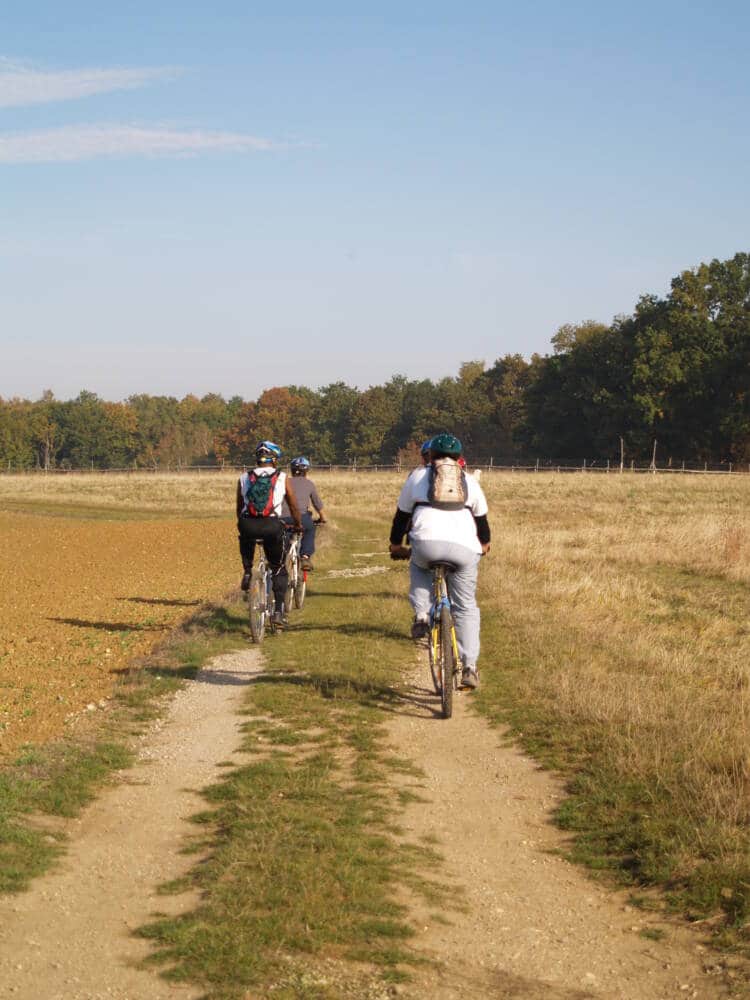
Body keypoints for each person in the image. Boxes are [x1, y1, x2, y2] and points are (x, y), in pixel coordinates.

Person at [388, 432, 490, 689]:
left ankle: (422, 616)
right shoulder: (469, 481)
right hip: (464, 548)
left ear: (430, 455)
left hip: (426, 544)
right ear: (459, 457)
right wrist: (485, 544)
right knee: (466, 606)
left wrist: (395, 544)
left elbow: (401, 517)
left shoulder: (418, 477)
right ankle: (469, 666)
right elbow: (482, 522)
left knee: (419, 566)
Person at [237, 441, 302, 626]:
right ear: (275, 459)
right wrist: (297, 524)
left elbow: (239, 507)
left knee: (245, 536)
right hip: (272, 525)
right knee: (279, 568)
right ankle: (279, 612)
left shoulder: (244, 477)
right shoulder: (282, 477)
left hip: (248, 524)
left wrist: (243, 525)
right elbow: (293, 505)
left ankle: (248, 571)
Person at [281, 456, 327, 569]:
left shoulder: (283, 482)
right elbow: (317, 504)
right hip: (302, 517)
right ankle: (305, 557)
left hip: (283, 517)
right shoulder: (309, 484)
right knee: (310, 529)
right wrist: (323, 518)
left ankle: (281, 556)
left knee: (283, 534)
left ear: (292, 470)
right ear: (306, 471)